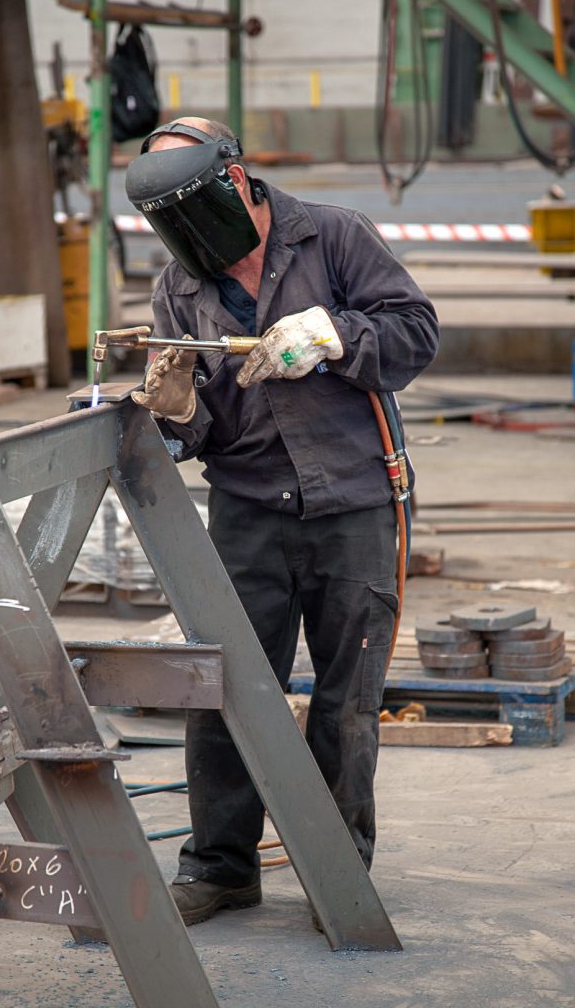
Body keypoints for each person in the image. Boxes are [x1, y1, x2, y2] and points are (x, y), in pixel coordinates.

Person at [125, 116, 439, 927]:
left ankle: (338, 875)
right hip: (248, 510)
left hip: (354, 503)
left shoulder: (333, 237)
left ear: (233, 182)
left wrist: (335, 334)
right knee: (223, 689)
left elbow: (415, 336)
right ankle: (221, 868)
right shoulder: (179, 287)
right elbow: (194, 435)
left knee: (345, 701)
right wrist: (176, 412)